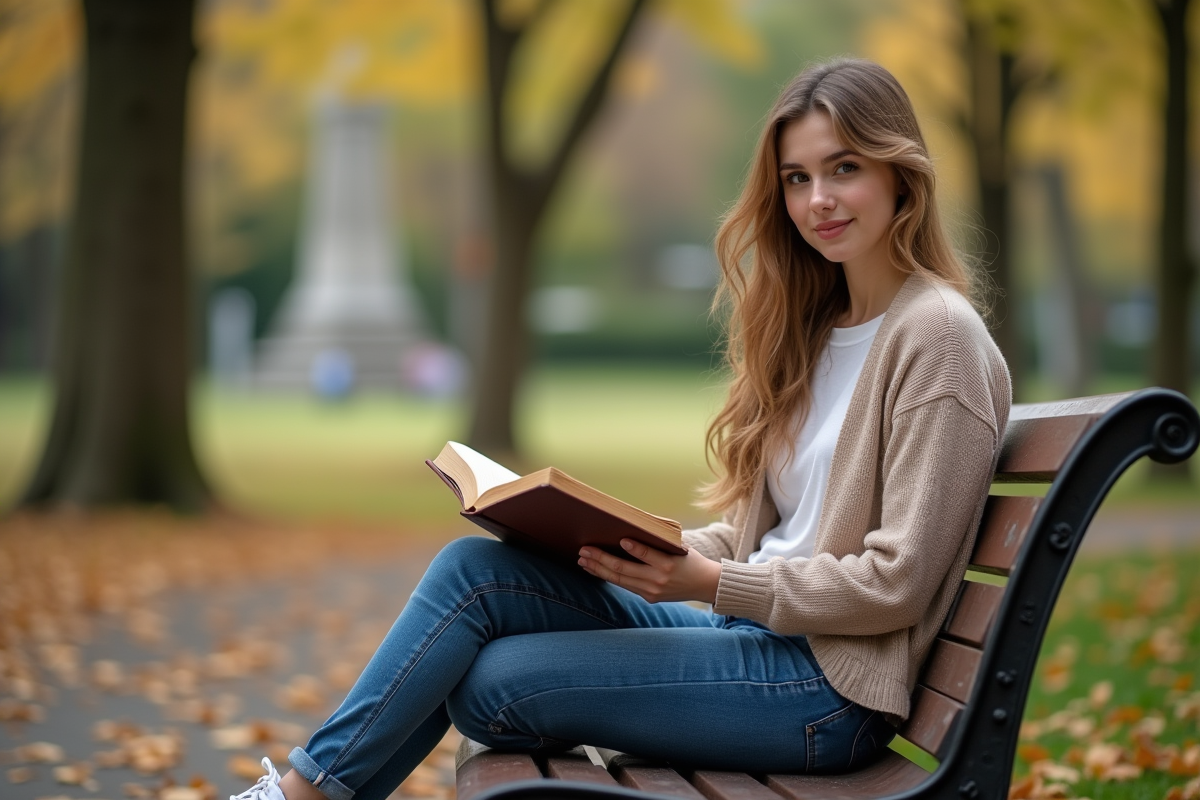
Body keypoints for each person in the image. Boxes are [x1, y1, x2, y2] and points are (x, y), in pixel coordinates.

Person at [232, 57, 1011, 800]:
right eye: (797, 179)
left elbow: (895, 582)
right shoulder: (819, 328)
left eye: (845, 168)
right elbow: (772, 539)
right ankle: (306, 791)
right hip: (758, 641)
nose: (818, 202)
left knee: (493, 687)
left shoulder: (935, 338)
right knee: (474, 573)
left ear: (899, 173)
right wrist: (641, 548)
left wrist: (711, 583)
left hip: (824, 693)